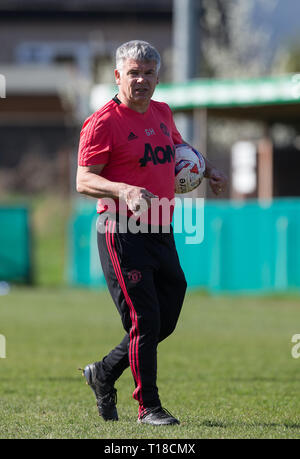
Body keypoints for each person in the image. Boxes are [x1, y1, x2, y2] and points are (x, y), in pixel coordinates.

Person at [76, 40, 227, 426]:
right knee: (145, 318)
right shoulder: (102, 123)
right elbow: (83, 179)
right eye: (132, 73)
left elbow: (178, 147)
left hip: (161, 227)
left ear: (158, 78)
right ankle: (149, 408)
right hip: (121, 229)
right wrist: (122, 188)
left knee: (167, 316)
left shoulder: (162, 112)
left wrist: (207, 169)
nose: (140, 80)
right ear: (117, 76)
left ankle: (104, 373)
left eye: (147, 73)